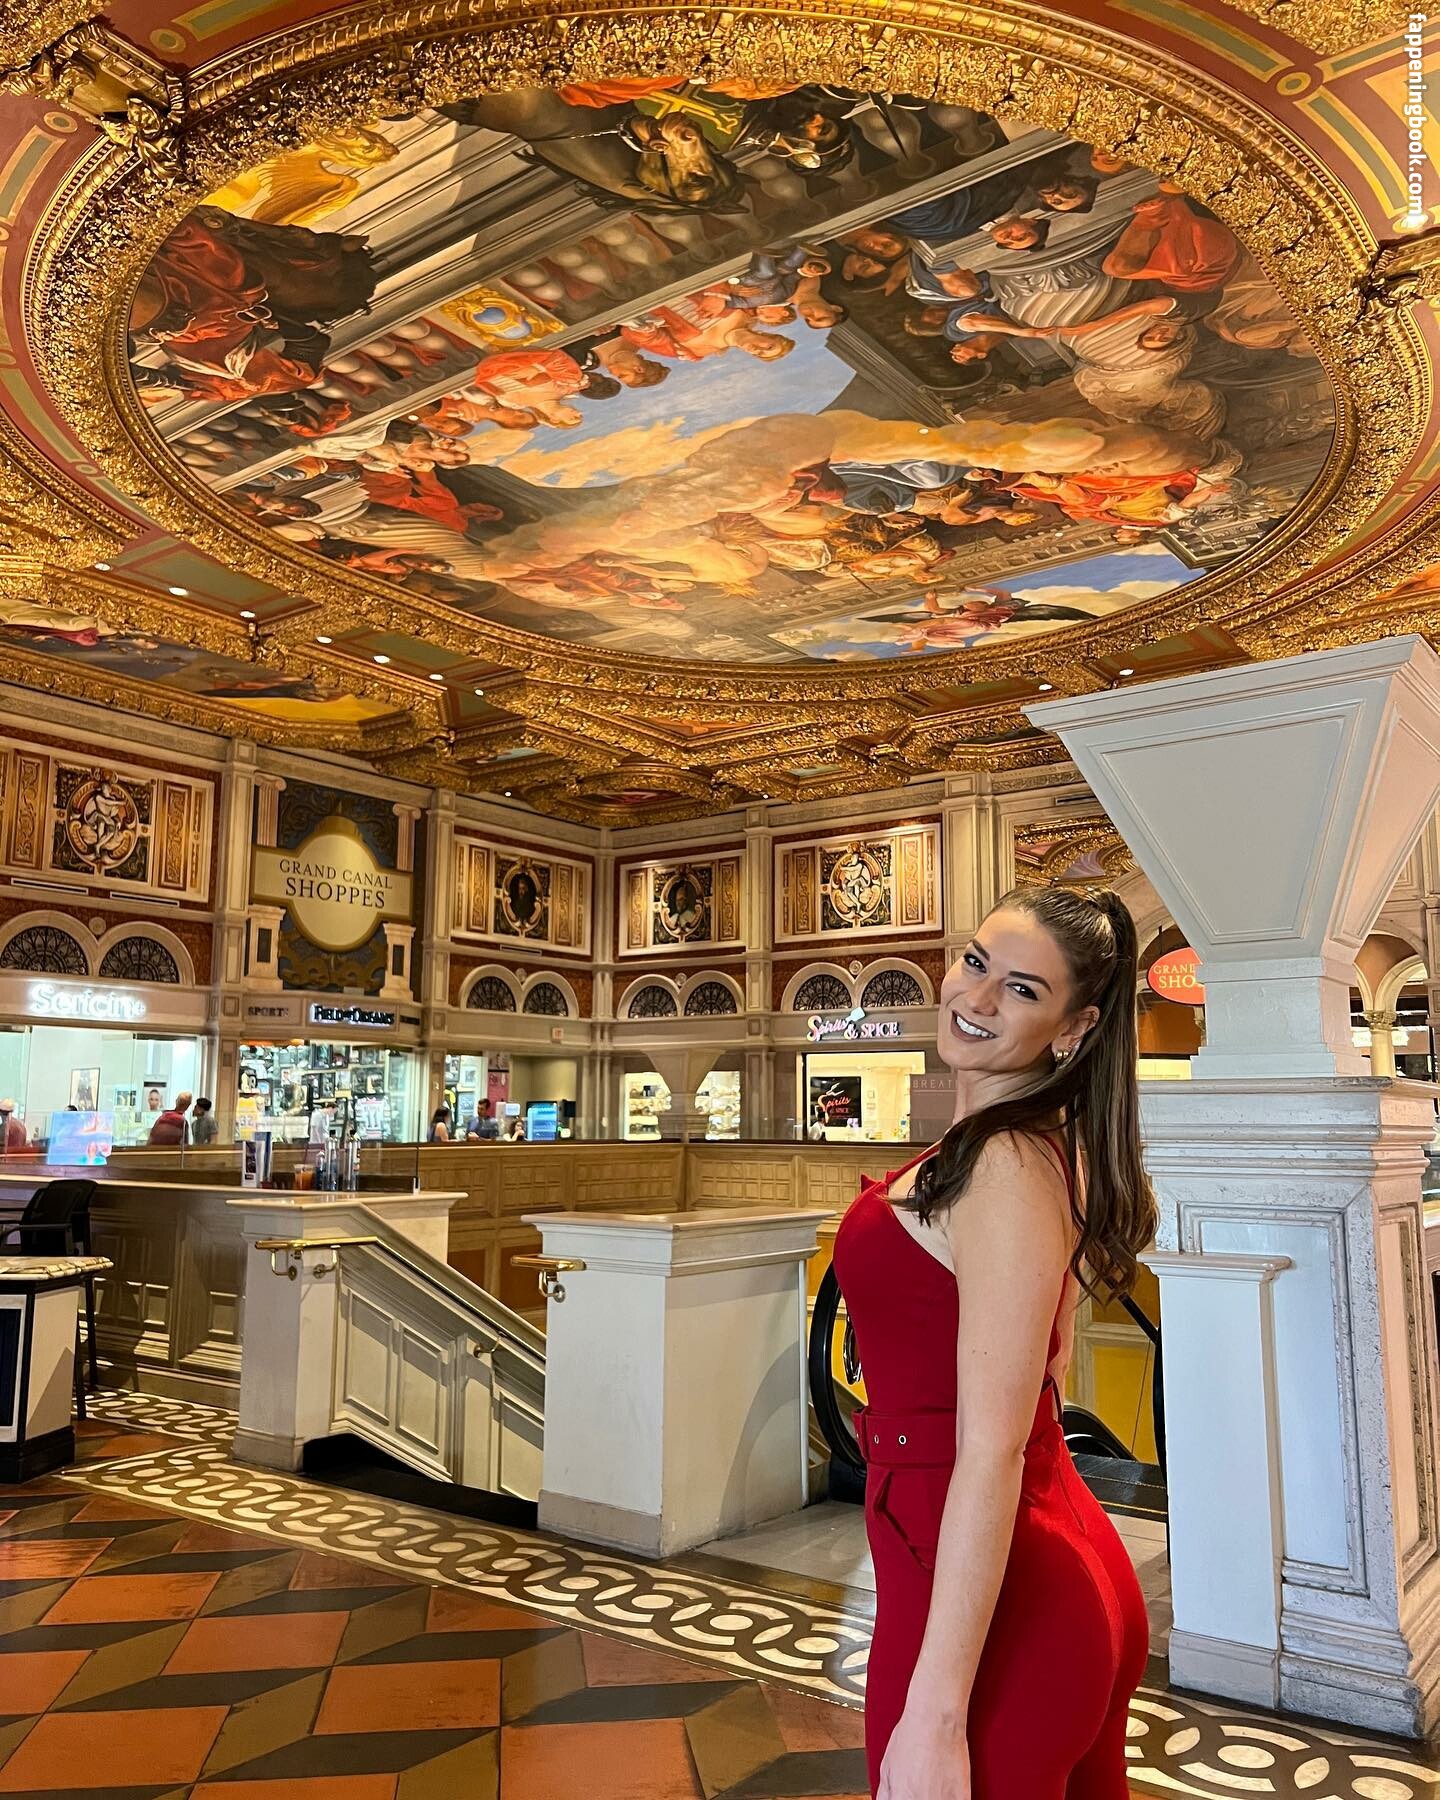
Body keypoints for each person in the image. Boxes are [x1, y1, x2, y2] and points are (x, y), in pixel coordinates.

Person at [832, 886, 1154, 1798]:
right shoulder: (1015, 1146)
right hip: (1008, 1559)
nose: (974, 998)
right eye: (975, 962)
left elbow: (991, 1448)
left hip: (998, 1594)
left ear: (1073, 1027)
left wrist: (937, 1716)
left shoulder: (1007, 1164)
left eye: (1020, 988)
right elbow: (1046, 1368)